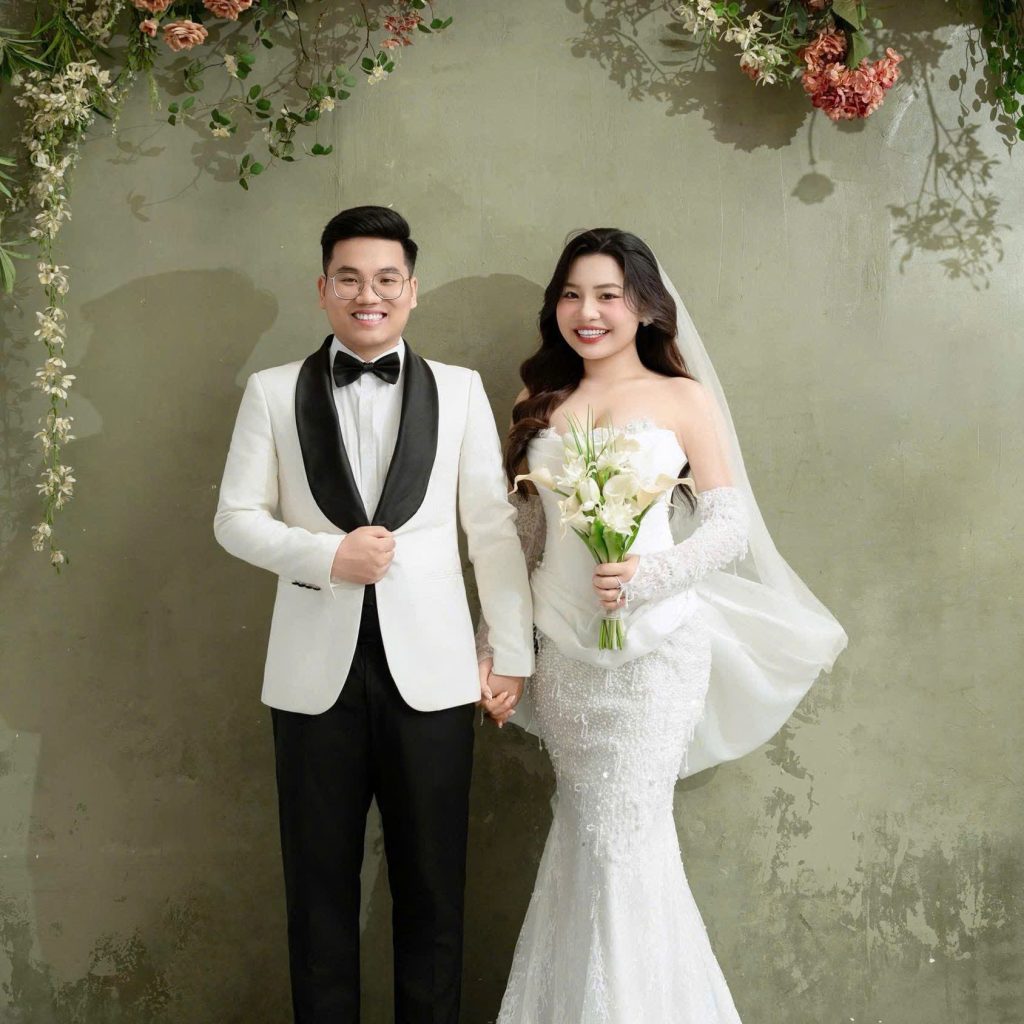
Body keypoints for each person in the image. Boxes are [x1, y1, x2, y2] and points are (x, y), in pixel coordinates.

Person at [476, 227, 848, 1022]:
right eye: (572, 295)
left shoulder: (683, 399)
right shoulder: (538, 404)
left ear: (645, 306)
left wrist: (648, 576)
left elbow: (728, 527)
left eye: (607, 295)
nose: (587, 312)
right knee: (584, 829)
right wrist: (495, 649)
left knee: (627, 836)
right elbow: (525, 538)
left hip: (658, 655)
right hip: (567, 656)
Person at [214, 205, 533, 1024]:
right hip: (311, 680)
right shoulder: (272, 392)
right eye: (350, 279)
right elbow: (234, 519)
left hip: (435, 676)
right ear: (322, 289)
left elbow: (491, 530)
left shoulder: (459, 391)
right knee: (317, 895)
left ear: (412, 290)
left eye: (387, 279)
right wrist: (328, 557)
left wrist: (510, 652)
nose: (369, 295)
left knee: (434, 892)